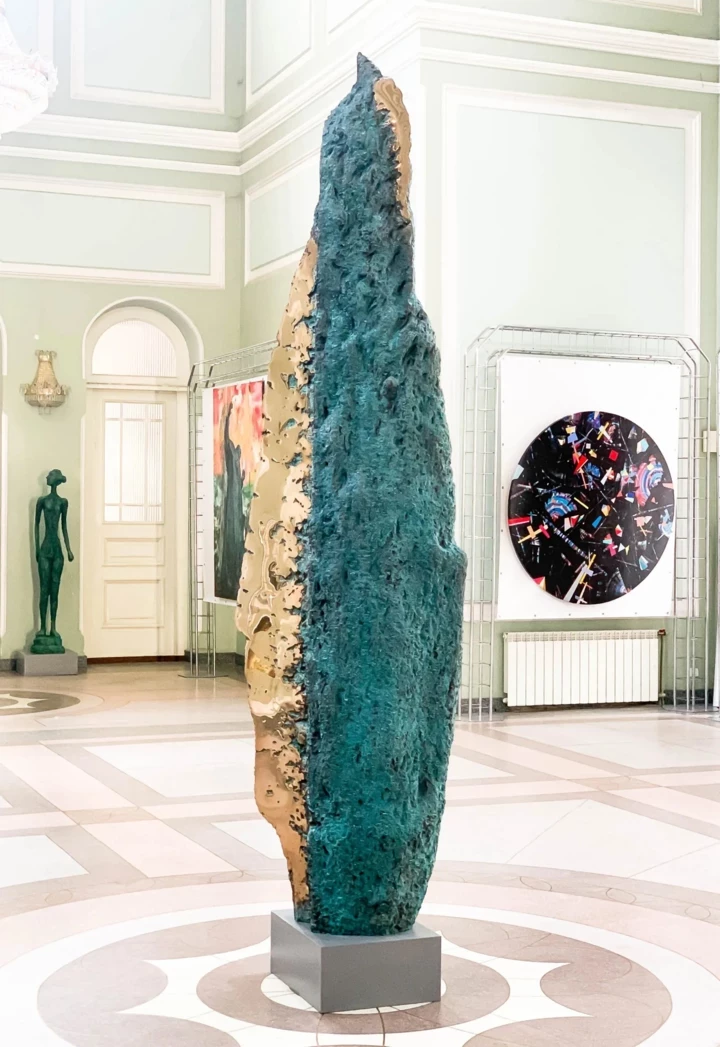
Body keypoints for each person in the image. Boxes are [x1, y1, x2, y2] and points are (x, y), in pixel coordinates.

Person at [32, 469, 73, 654]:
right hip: (45, 549)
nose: (47, 478)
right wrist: (36, 549)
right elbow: (36, 525)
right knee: (44, 589)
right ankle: (42, 627)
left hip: (57, 550)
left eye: (50, 476)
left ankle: (53, 627)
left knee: (54, 590)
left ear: (55, 480)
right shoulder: (42, 501)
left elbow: (64, 527)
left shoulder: (63, 502)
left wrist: (68, 549)